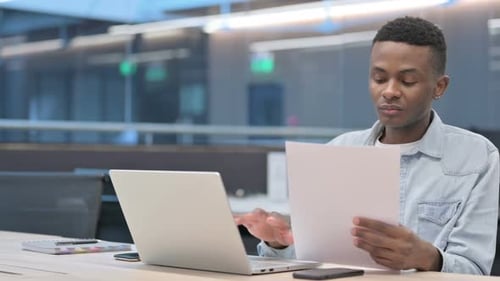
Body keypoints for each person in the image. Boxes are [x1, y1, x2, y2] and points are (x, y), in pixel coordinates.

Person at [235, 16, 500, 275]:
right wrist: (278, 242)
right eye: (379, 78)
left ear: (439, 87)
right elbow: (311, 261)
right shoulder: (338, 151)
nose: (389, 91)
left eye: (407, 81)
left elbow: (475, 270)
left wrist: (426, 257)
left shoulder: (477, 158)